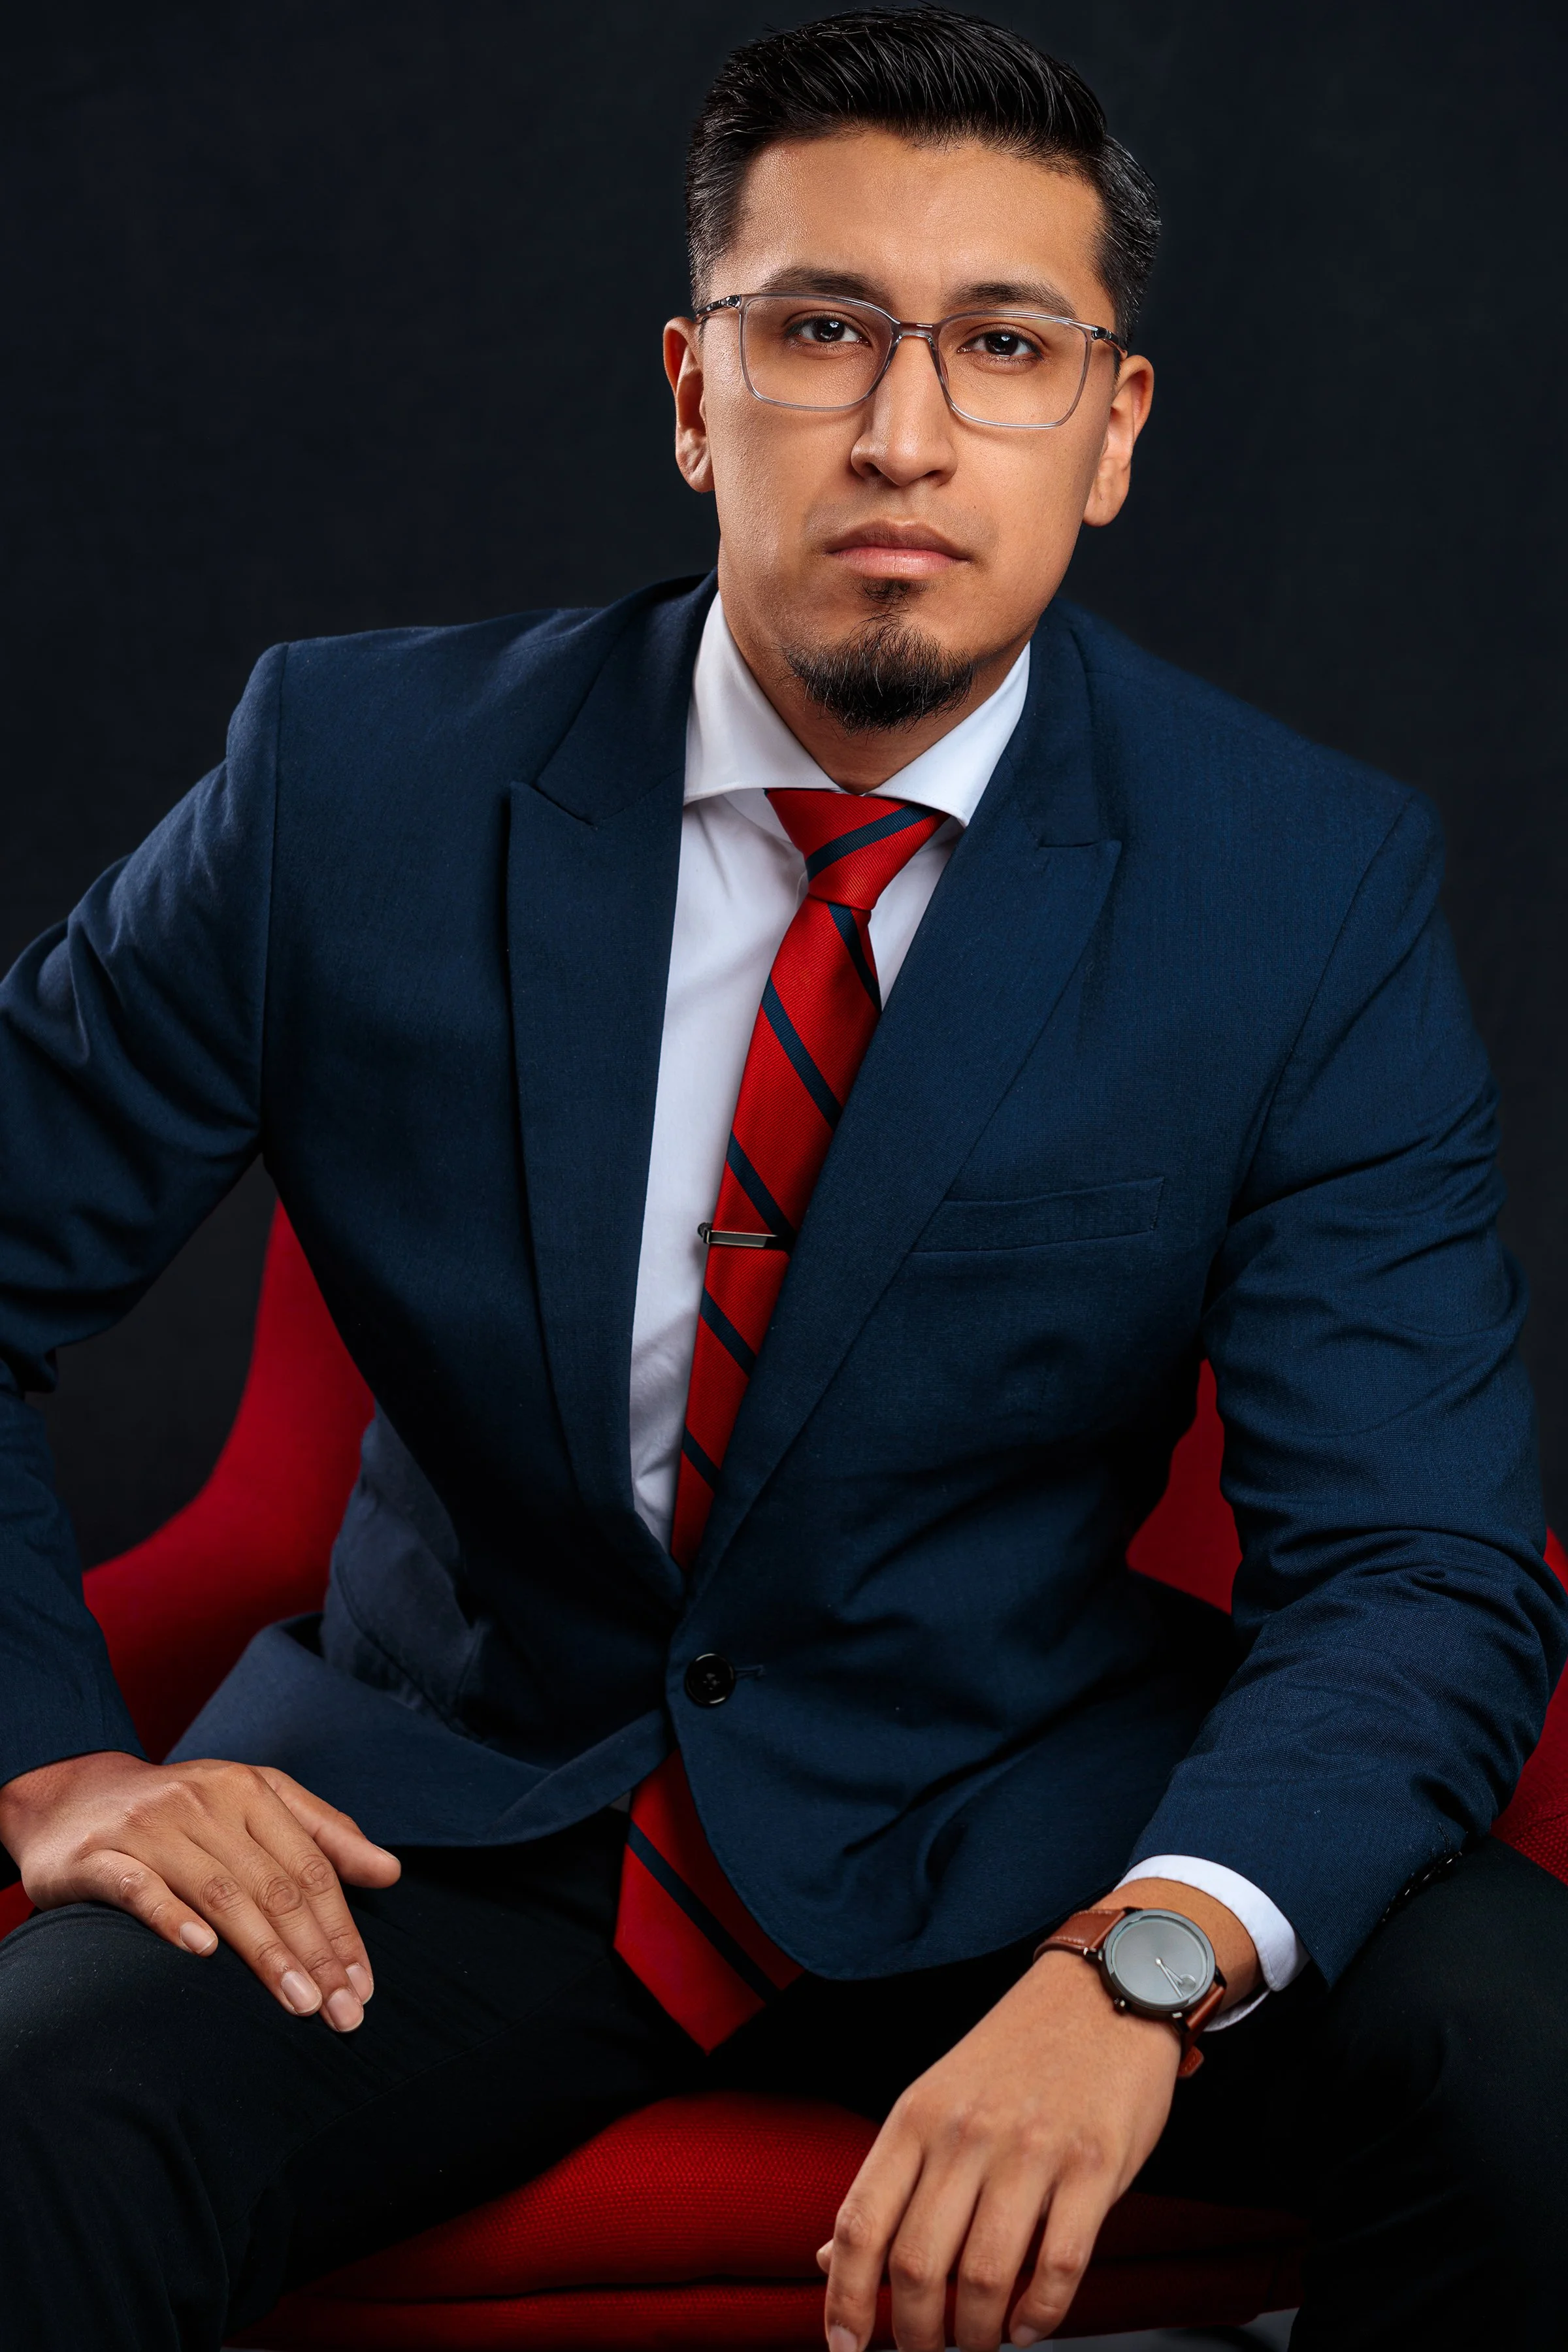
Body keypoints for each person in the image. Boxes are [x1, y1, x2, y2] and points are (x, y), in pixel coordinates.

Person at [0, 8, 1562, 2347]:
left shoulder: (1296, 885)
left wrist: (1144, 1967)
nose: (903, 431)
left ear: (1111, 432)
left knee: (1527, 2063)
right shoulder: (351, 785)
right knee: (31, 2118)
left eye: (1005, 346)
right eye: (819, 329)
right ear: (691, 392)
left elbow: (1419, 1564)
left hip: (1026, 1818)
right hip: (450, 1826)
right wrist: (51, 1770)